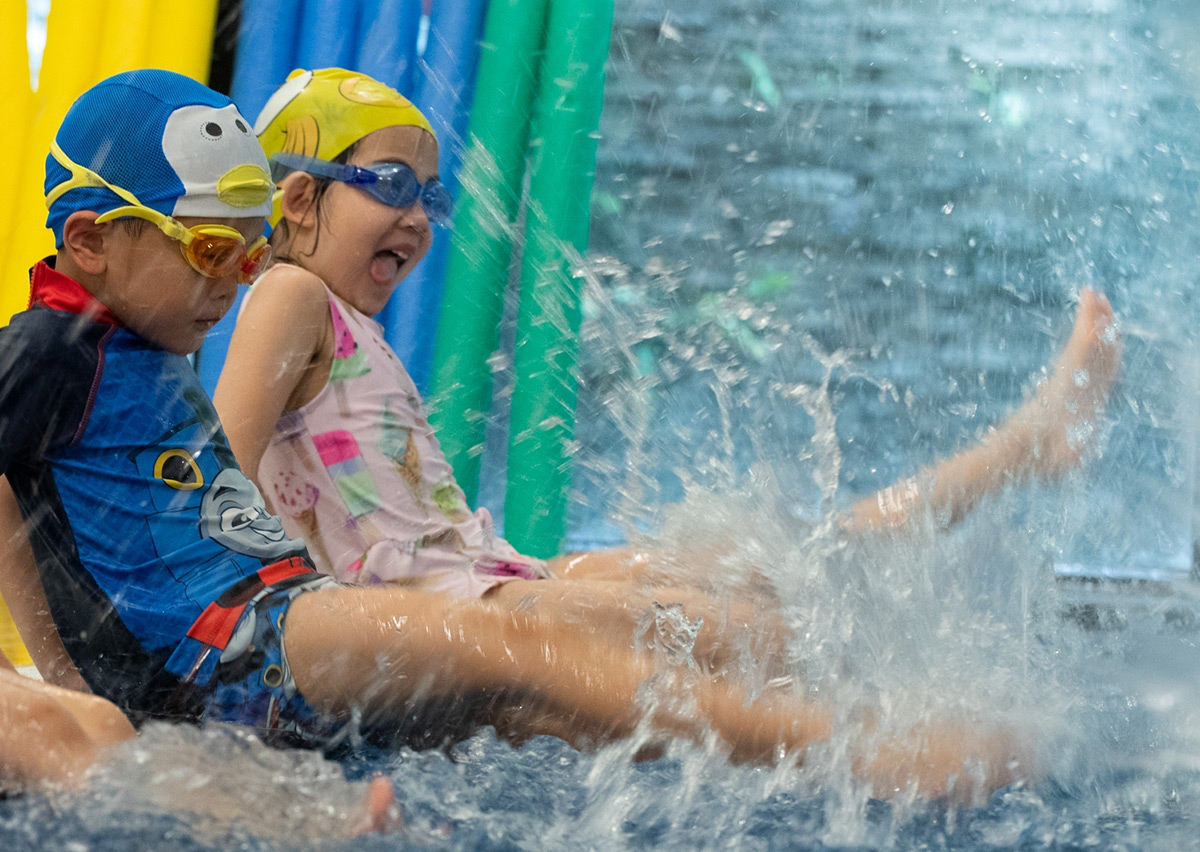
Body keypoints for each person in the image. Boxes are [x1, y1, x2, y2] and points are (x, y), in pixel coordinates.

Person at [0, 68, 1024, 804]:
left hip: (269, 625)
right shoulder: (63, 343)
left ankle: (835, 744)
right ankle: (860, 749)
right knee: (524, 642)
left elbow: (78, 503)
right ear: (91, 239)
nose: (232, 281)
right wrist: (63, 678)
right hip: (241, 638)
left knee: (562, 682)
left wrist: (78, 676)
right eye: (215, 252)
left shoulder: (142, 334)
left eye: (246, 253)